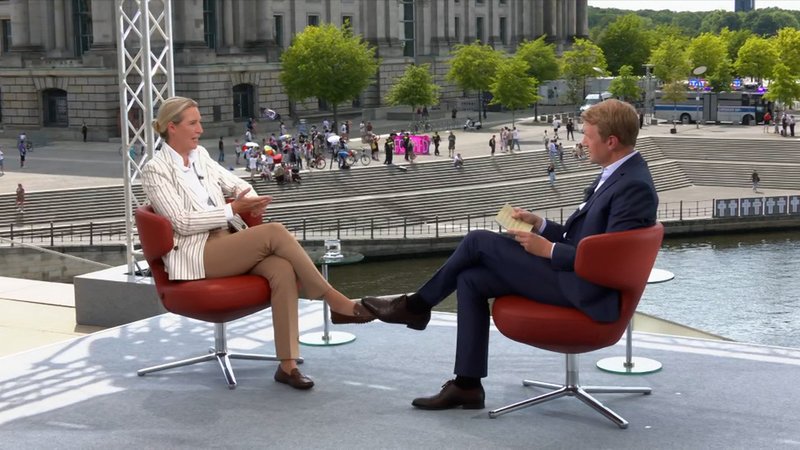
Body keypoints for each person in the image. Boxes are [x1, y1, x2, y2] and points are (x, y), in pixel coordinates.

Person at [361, 99, 658, 410]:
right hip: (575, 275)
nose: (582, 141)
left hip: (588, 289)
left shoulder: (633, 186)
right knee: (471, 279)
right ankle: (467, 384)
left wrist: (550, 250)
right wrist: (540, 224)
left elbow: (611, 263)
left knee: (477, 241)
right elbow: (586, 240)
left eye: (587, 135)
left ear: (611, 141)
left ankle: (417, 306)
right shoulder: (618, 173)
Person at [141, 97, 374, 390]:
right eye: (193, 123)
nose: (200, 128)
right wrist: (232, 210)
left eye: (199, 121)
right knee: (275, 232)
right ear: (172, 127)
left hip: (227, 241)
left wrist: (247, 198)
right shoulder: (155, 169)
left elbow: (235, 184)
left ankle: (287, 366)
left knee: (281, 269)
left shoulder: (200, 155)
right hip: (196, 253)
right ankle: (333, 300)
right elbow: (182, 222)